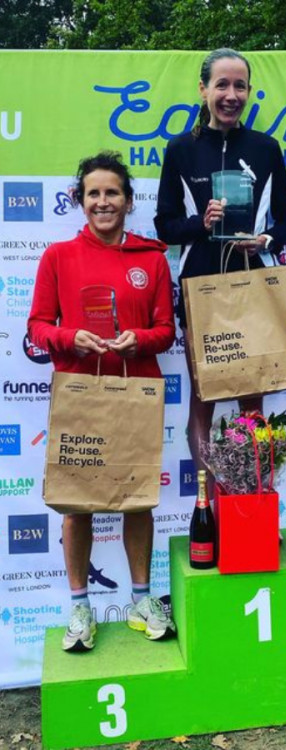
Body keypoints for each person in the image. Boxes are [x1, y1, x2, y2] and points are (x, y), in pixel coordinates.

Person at [28, 151, 176, 651]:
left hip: (135, 392)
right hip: (79, 395)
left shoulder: (151, 258)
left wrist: (140, 338)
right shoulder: (57, 257)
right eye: (94, 193)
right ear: (80, 200)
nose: (103, 201)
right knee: (77, 503)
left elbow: (166, 331)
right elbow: (37, 327)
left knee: (138, 500)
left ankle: (140, 599)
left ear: (129, 201)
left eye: (112, 192)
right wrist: (71, 337)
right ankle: (80, 608)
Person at [154, 48, 286, 477]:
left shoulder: (266, 148)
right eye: (222, 85)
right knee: (204, 396)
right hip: (200, 287)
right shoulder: (180, 149)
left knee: (253, 398)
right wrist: (202, 223)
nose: (231, 94)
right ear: (203, 90)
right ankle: (208, 506)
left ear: (249, 92)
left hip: (252, 284)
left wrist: (265, 240)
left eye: (240, 86)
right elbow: (165, 226)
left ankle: (252, 500)